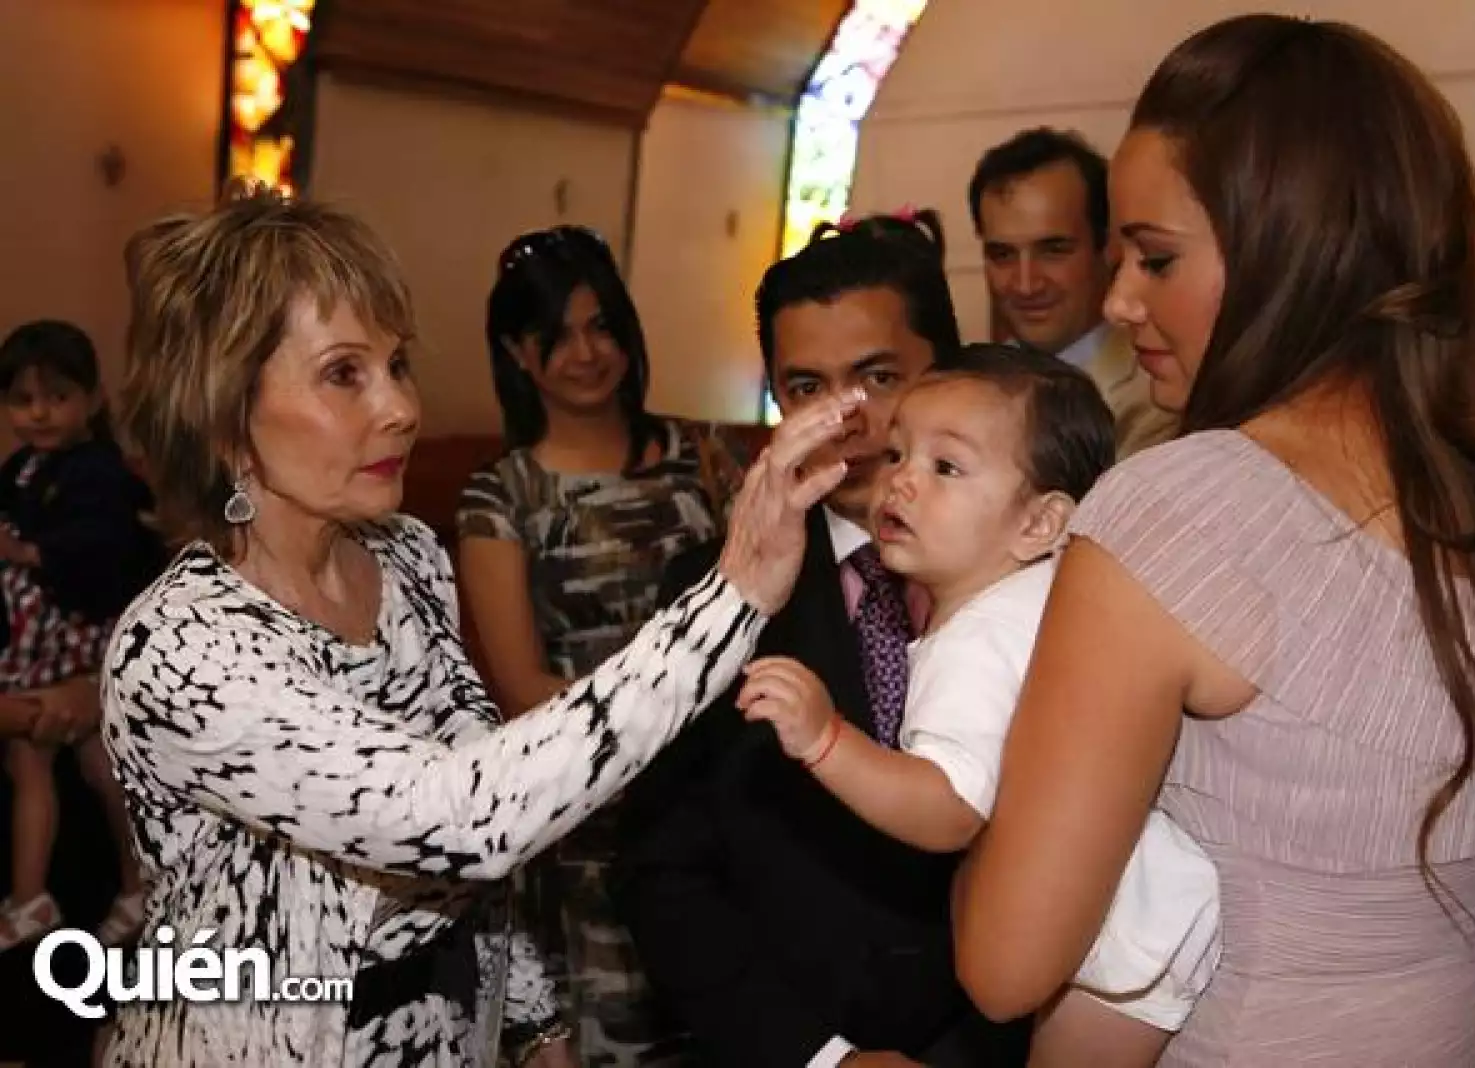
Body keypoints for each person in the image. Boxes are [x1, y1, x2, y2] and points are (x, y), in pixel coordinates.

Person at [953, 15, 1475, 1066]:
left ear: (1292, 251)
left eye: (1155, 260)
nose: (1119, 301)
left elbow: (1005, 962)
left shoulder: (1171, 512)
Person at [99, 184, 862, 1066]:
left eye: (397, 364)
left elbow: (480, 762)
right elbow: (459, 817)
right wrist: (731, 596)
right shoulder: (183, 649)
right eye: (345, 373)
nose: (400, 408)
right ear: (229, 414)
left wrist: (532, 1022)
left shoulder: (408, 558)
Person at [617, 214, 1029, 1068]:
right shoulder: (714, 591)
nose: (848, 418)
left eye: (878, 376)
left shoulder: (1040, 576)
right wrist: (824, 1058)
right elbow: (667, 872)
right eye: (807, 388)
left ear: (944, 372)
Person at [739, 345, 1217, 1068]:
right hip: (1148, 901)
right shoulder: (1051, 590)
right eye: (898, 454)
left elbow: (949, 808)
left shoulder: (978, 641)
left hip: (1114, 948)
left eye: (946, 467)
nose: (901, 481)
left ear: (1039, 523)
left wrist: (827, 741)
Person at [457, 225, 744, 1066]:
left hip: (717, 801)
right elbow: (517, 682)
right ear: (517, 351)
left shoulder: (708, 458)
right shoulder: (504, 494)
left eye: (603, 326)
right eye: (560, 334)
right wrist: (654, 742)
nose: (587, 353)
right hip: (585, 817)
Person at [0, 321, 164, 953]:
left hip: (74, 634)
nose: (39, 412)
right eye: (22, 399)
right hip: (44, 643)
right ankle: (37, 894)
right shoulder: (20, 466)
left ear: (93, 399)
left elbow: (101, 549)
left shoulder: (100, 473)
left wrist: (28, 551)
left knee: (92, 760)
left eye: (57, 396)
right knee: (47, 759)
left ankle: (119, 884)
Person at [970, 128, 1176, 458]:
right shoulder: (967, 383)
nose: (1025, 284)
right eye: (1002, 255)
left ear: (1108, 246)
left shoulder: (1154, 395)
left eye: (1053, 250)